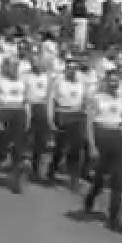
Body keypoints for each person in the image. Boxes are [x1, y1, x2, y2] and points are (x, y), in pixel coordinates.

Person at [83, 72, 122, 232]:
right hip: (101, 135)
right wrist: (92, 145)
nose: (113, 84)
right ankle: (91, 197)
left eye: (116, 82)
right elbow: (89, 123)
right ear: (105, 82)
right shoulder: (96, 98)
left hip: (117, 137)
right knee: (100, 177)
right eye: (111, 81)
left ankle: (114, 216)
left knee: (118, 179)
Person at [0, 57, 30, 193]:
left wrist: (28, 117)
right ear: (6, 67)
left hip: (19, 114)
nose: (14, 69)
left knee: (18, 150)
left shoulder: (22, 82)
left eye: (16, 66)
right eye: (12, 66)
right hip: (4, 114)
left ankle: (16, 180)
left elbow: (26, 102)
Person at [49, 59, 89, 190]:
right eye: (69, 68)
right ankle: (51, 172)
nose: (72, 71)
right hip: (62, 115)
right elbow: (51, 101)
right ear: (65, 69)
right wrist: (51, 120)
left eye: (74, 68)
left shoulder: (81, 83)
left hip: (78, 116)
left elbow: (86, 101)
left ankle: (74, 179)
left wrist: (86, 115)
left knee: (76, 149)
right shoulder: (58, 82)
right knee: (60, 148)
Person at [23, 60, 55, 183]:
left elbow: (49, 97)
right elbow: (24, 94)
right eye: (35, 63)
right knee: (27, 137)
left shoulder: (47, 77)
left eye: (39, 63)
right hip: (30, 106)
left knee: (41, 141)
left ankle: (35, 169)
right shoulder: (26, 76)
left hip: (43, 108)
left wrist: (49, 115)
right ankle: (23, 165)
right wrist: (27, 110)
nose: (37, 65)